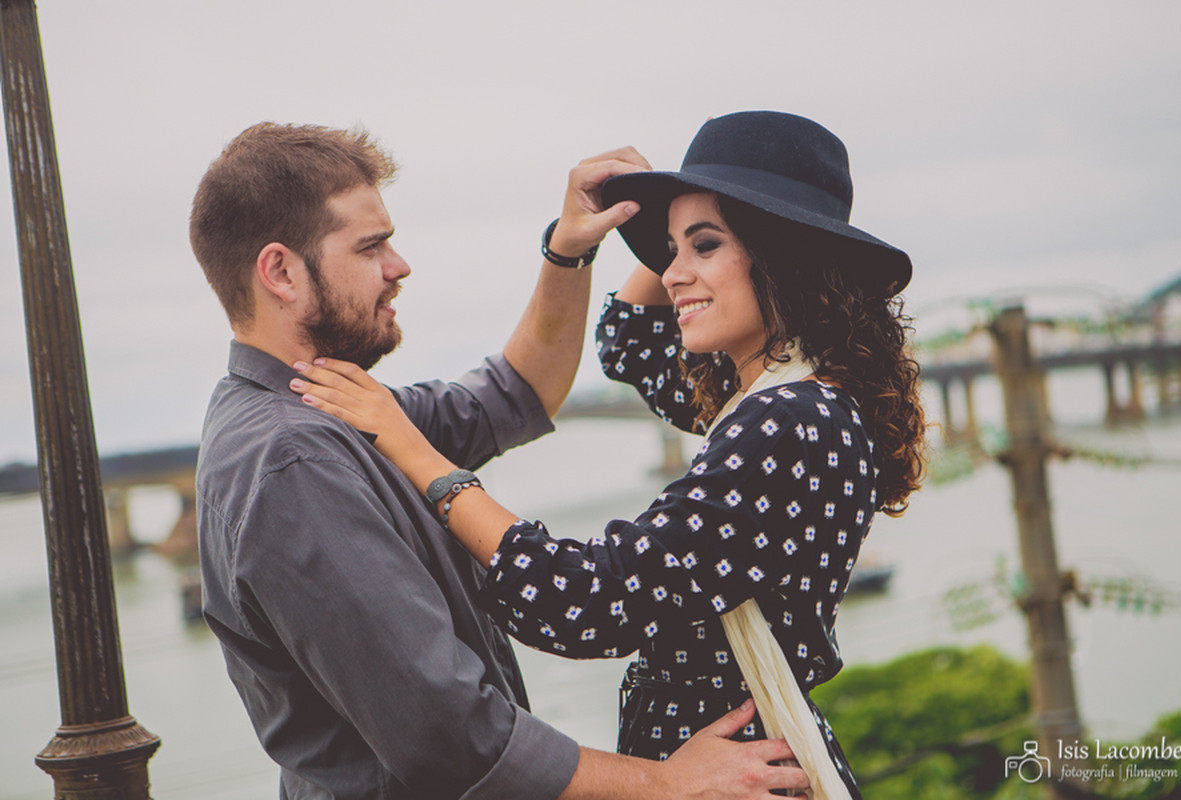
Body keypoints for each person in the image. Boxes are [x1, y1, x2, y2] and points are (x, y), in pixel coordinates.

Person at [289, 111, 926, 799]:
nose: (672, 272)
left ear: (784, 256)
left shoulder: (787, 424)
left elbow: (586, 600)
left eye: (703, 246)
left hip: (730, 777)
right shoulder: (781, 395)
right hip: (743, 760)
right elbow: (630, 341)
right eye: (668, 249)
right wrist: (594, 238)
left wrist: (416, 453)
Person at [189, 121, 811, 800]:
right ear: (279, 270)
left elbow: (514, 395)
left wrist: (567, 251)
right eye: (371, 247)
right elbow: (449, 733)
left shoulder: (339, 407)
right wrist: (666, 783)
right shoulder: (293, 460)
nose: (399, 266)